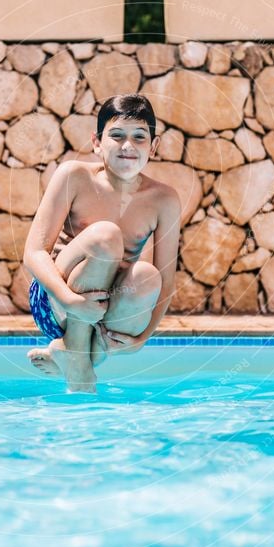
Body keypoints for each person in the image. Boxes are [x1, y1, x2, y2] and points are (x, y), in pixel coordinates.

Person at [23, 94, 181, 392]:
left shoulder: (164, 200)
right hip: (56, 302)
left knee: (148, 277)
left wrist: (143, 337)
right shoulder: (75, 176)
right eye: (117, 135)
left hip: (107, 311)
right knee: (106, 236)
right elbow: (33, 253)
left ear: (154, 146)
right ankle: (81, 363)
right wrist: (69, 299)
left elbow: (167, 281)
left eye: (139, 137)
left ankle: (72, 354)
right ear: (97, 142)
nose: (127, 146)